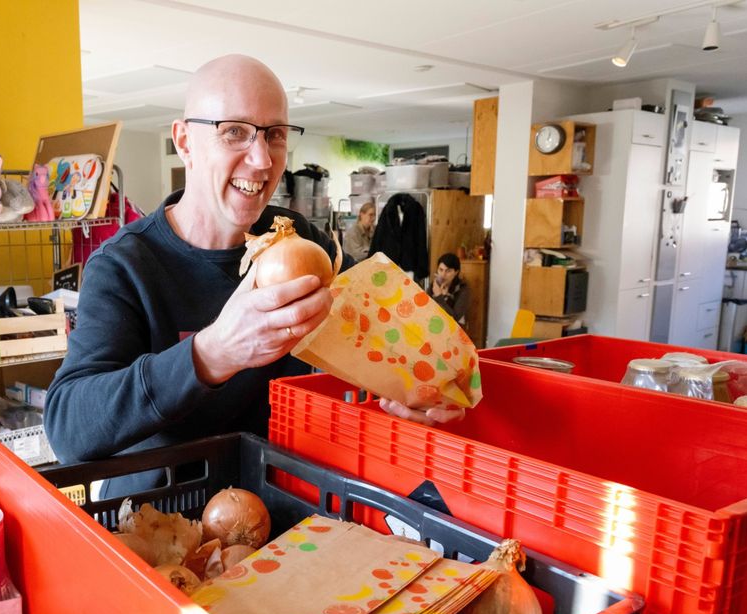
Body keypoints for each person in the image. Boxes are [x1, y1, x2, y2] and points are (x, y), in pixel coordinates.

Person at [44, 55, 458, 495]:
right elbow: (69, 430)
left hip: (292, 509)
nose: (261, 160)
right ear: (185, 141)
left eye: (275, 135)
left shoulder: (303, 240)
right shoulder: (125, 265)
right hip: (165, 522)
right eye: (234, 132)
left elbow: (389, 339)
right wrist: (213, 352)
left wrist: (418, 391)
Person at [430, 252, 470, 328]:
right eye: (440, 270)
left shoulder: (463, 289)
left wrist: (439, 297)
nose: (443, 274)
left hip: (453, 330)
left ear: (456, 272)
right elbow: (425, 310)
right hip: (433, 326)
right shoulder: (434, 285)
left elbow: (454, 319)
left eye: (448, 271)